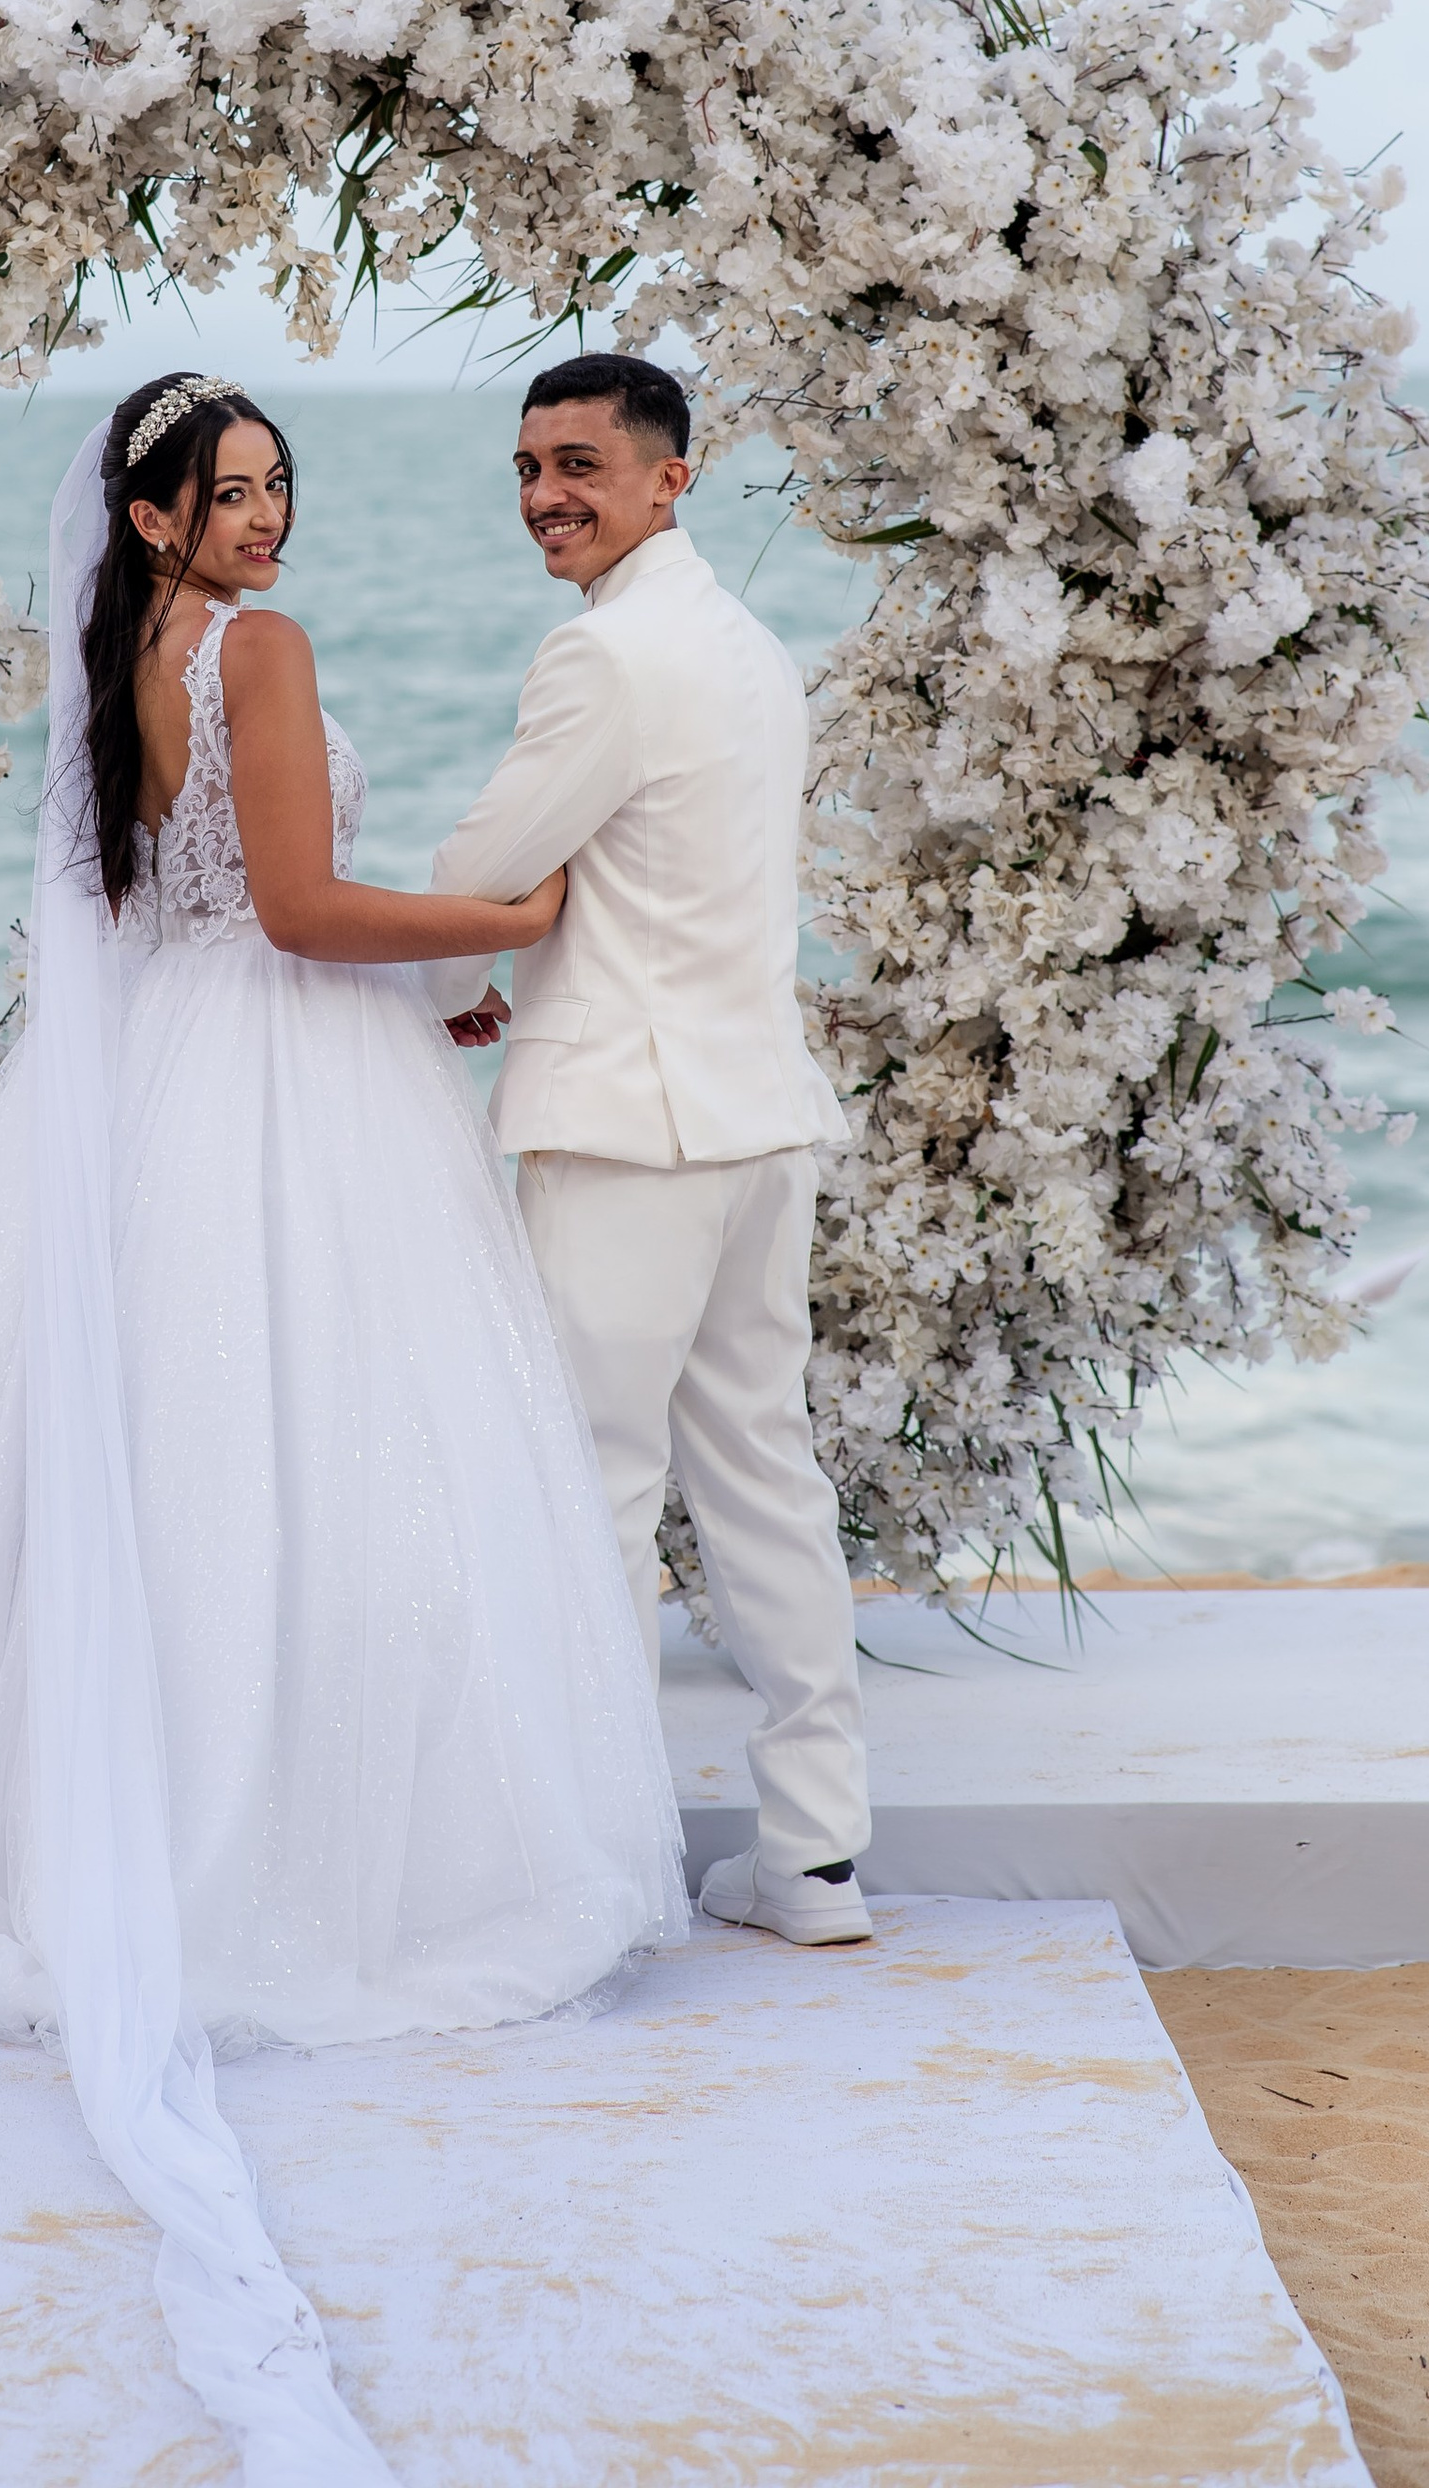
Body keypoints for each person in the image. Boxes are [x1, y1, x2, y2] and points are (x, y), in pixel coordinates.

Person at [0, 370, 687, 2483]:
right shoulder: (255, 652)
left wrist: (412, 972)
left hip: (156, 1080)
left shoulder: (125, 665)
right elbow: (293, 911)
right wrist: (502, 926)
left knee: (165, 1471)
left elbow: (169, 907)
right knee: (311, 1465)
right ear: (155, 518)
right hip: (276, 1079)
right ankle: (281, 1854)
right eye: (228, 495)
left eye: (278, 488)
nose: (267, 524)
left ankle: (113, 1818)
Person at [428, 350, 873, 1948]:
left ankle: (606, 1875)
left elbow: (486, 862)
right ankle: (816, 1859)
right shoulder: (750, 649)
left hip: (628, 1126)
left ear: (671, 478)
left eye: (582, 467)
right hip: (760, 1118)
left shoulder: (602, 659)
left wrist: (451, 987)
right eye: (531, 468)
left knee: (595, 1494)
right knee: (765, 1476)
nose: (548, 495)